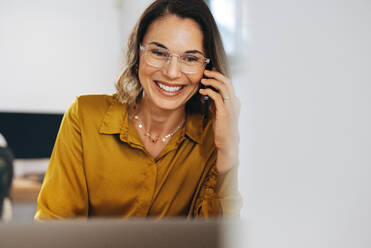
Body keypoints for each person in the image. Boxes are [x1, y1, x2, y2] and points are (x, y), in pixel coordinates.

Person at [35, 0, 242, 219]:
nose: (172, 72)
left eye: (190, 58)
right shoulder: (85, 117)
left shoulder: (213, 138)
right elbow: (55, 227)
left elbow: (218, 236)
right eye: (159, 53)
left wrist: (227, 148)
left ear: (207, 69)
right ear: (138, 51)